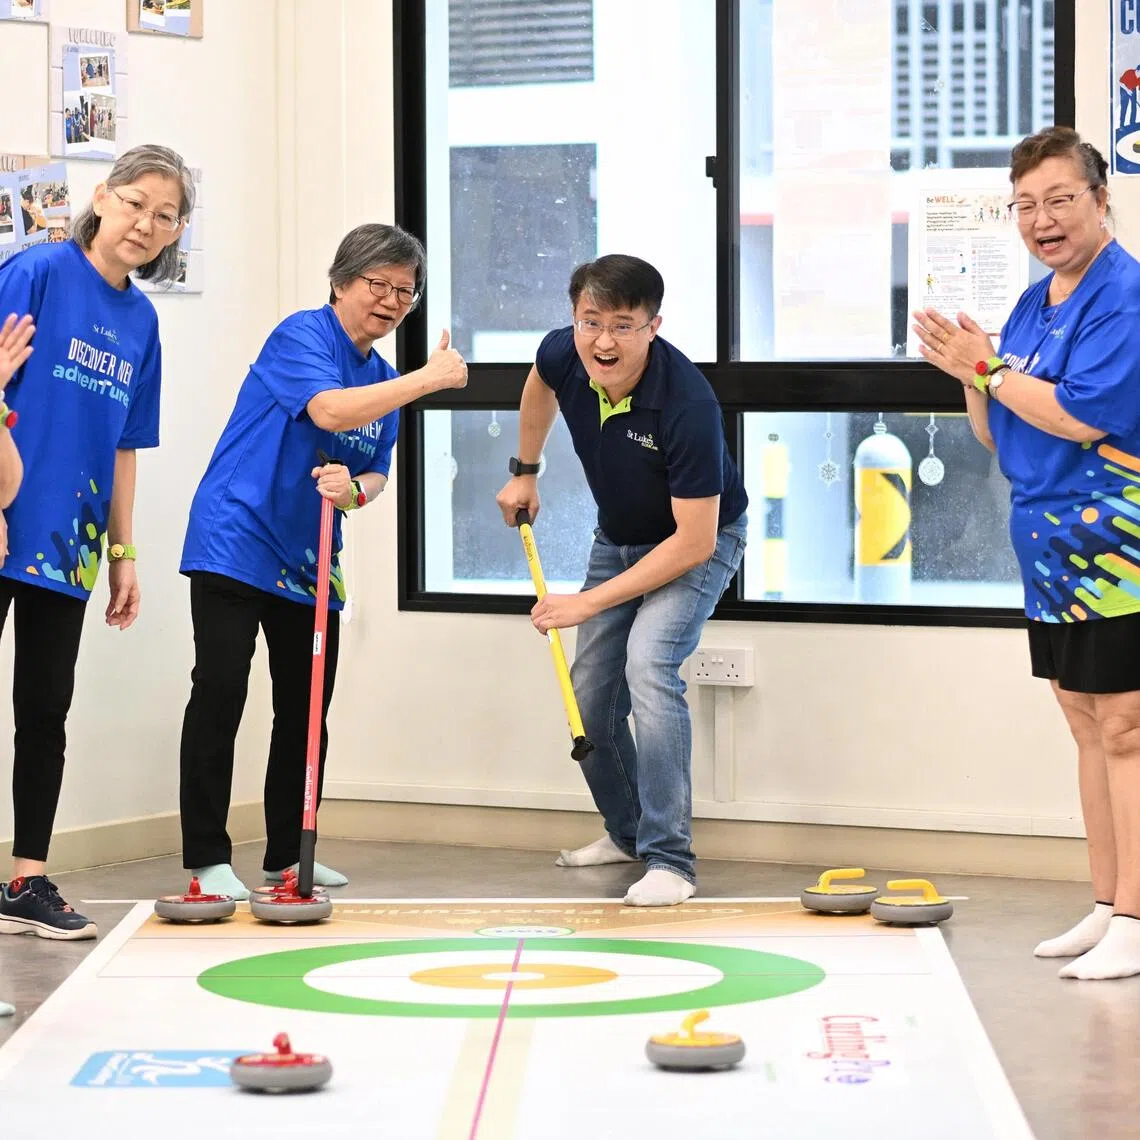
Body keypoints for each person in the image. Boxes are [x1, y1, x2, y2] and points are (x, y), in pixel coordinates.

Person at [177, 223, 467, 901]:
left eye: (406, 291)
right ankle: (207, 856)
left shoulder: (385, 380)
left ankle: (287, 855)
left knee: (307, 711)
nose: (392, 300)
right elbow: (330, 411)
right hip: (236, 538)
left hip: (310, 559)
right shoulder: (302, 335)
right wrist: (426, 379)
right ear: (340, 282)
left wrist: (353, 491)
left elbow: (376, 475)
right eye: (378, 284)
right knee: (220, 690)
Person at [914, 125, 1140, 980]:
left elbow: (1081, 417)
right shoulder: (1032, 301)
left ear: (1100, 201)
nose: (1042, 220)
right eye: (1026, 205)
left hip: (1119, 544)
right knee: (1083, 721)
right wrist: (970, 374)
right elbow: (998, 428)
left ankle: (1137, 918)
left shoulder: (1124, 296)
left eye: (1060, 200)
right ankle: (1106, 904)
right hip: (1048, 545)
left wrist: (989, 372)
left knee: (1126, 727)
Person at [495, 254, 748, 907]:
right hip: (618, 537)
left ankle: (671, 861)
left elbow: (693, 542)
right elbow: (539, 383)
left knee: (650, 667)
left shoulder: (686, 403)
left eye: (623, 326)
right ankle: (629, 834)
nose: (603, 341)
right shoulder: (564, 352)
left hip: (698, 542)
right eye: (591, 322)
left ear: (653, 326)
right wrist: (525, 470)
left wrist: (585, 604)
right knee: (589, 696)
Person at [0, 144, 192, 943]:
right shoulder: (38, 272)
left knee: (45, 711)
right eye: (137, 202)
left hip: (67, 541)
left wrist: (123, 553)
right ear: (104, 197)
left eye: (166, 215)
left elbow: (124, 448)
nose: (146, 223)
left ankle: (25, 879)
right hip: (2, 515)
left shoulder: (142, 323)